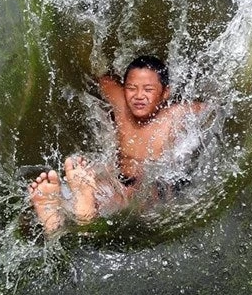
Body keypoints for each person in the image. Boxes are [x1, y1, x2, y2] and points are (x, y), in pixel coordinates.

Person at [28, 55, 205, 235]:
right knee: (100, 182)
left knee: (133, 196)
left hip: (151, 190)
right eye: (131, 88)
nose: (138, 96)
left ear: (165, 93)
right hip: (118, 178)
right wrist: (84, 51)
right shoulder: (120, 101)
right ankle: (55, 216)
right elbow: (100, 76)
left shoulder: (177, 115)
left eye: (148, 89)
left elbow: (215, 110)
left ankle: (82, 212)